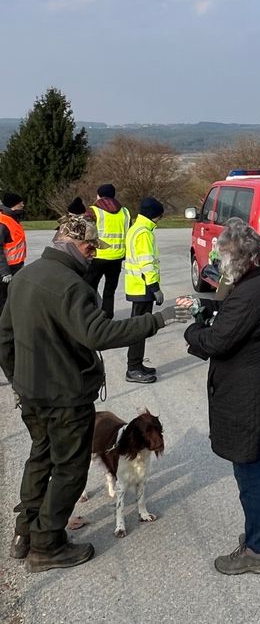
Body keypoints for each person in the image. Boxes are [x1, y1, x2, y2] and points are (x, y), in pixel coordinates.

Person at [0, 214, 189, 573]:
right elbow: (99, 334)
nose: (91, 255)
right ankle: (47, 545)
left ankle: (24, 533)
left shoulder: (23, 277)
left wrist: (18, 380)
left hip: (31, 395)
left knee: (41, 458)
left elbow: (4, 337)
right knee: (70, 468)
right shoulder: (71, 286)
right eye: (89, 248)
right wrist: (160, 319)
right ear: (74, 244)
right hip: (66, 397)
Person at [183, 219, 260, 575]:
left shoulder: (248, 293)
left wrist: (194, 327)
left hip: (250, 395)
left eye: (224, 261)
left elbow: (219, 341)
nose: (221, 267)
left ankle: (257, 549)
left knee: (250, 473)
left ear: (241, 260)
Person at [124, 196, 165, 384]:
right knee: (139, 329)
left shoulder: (137, 228)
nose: (160, 219)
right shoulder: (144, 233)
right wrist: (155, 288)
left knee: (140, 327)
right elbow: (147, 263)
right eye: (159, 216)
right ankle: (133, 368)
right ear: (153, 215)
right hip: (143, 288)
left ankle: (137, 364)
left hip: (138, 286)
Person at [85, 184, 131, 320]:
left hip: (97, 257)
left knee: (89, 288)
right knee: (109, 291)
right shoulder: (125, 212)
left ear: (99, 195)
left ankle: (91, 316)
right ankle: (107, 317)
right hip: (117, 257)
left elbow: (86, 233)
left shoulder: (93, 211)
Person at [0, 192, 26, 315]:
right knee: (4, 301)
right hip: (7, 271)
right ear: (13, 206)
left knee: (13, 298)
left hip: (16, 266)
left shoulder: (13, 219)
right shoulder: (3, 223)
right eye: (21, 203)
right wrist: (4, 272)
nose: (23, 205)